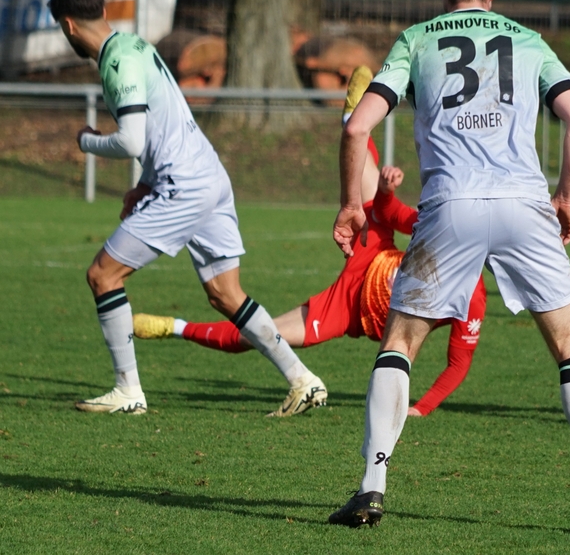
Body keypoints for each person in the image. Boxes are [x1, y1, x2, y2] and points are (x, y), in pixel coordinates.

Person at [327, 0, 570, 529]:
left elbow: (355, 129)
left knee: (401, 343)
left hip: (451, 205)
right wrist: (566, 197)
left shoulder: (417, 40)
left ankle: (371, 487)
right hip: (525, 205)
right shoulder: (529, 41)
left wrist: (350, 203)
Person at [48, 0, 327, 417]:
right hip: (208, 175)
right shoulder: (135, 46)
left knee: (103, 275)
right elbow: (165, 124)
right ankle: (302, 379)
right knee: (225, 293)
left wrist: (88, 141)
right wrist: (144, 185)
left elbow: (132, 140)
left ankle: (127, 390)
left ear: (68, 26)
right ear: (101, 11)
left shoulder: (117, 62)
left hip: (184, 186)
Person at [133, 154, 487, 417]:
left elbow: (458, 363)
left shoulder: (472, 297)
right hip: (374, 249)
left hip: (350, 311)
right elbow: (390, 213)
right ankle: (359, 101)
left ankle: (174, 327)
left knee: (258, 336)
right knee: (357, 141)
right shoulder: (440, 225)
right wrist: (384, 189)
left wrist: (422, 407)